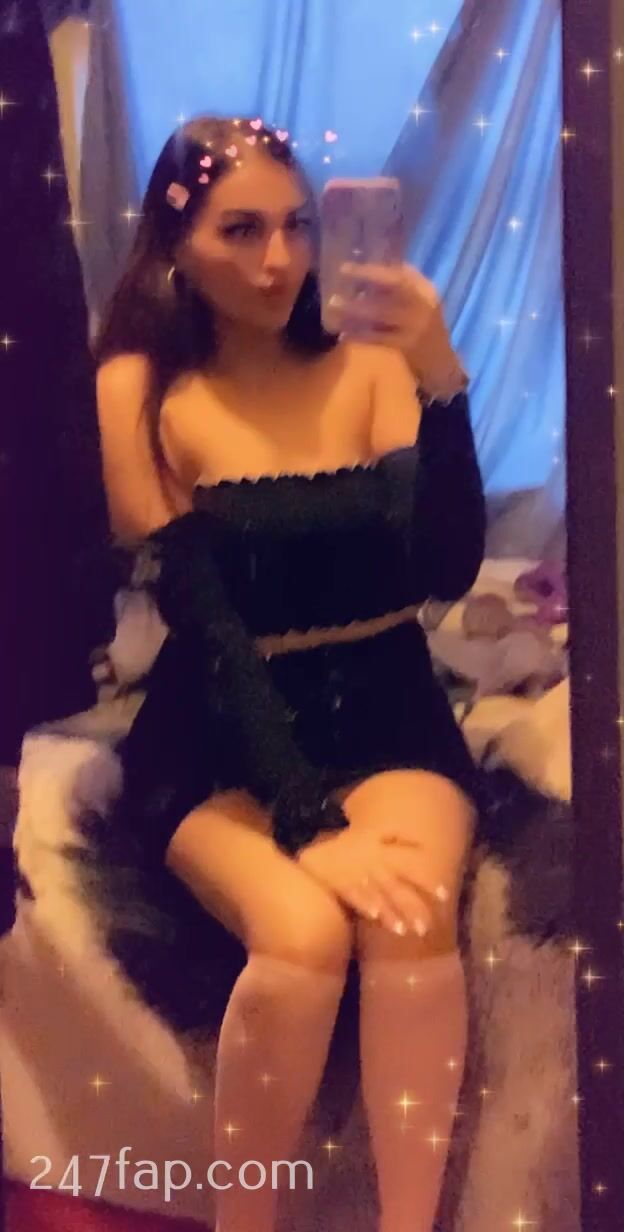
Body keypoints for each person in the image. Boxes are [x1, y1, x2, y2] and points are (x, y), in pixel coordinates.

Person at [93, 115, 486, 1232]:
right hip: (219, 728)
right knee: (303, 934)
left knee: (411, 915)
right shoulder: (140, 384)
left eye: (297, 225)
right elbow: (207, 624)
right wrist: (310, 817)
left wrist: (443, 382)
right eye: (240, 230)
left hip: (388, 703)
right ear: (176, 242)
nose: (279, 260)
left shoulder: (371, 360)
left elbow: (445, 568)